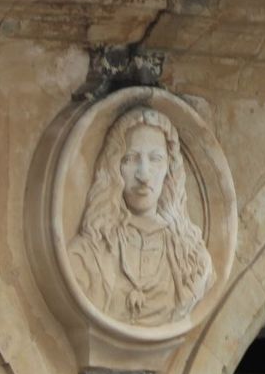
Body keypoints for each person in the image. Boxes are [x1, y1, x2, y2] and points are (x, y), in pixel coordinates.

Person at [66, 105, 212, 326]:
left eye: (155, 159)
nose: (144, 175)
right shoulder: (86, 255)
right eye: (131, 159)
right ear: (114, 167)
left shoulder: (195, 260)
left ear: (169, 170)